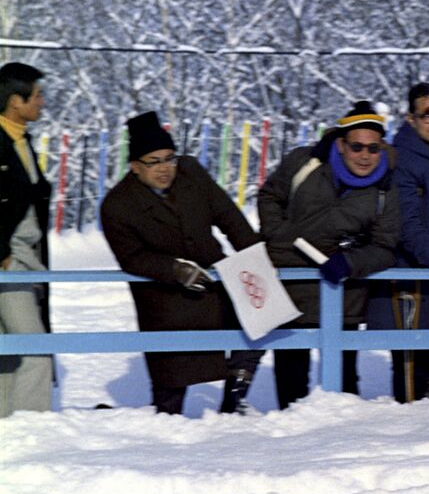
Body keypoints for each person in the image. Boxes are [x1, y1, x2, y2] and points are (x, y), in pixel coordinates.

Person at [101, 112, 263, 414]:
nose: (165, 168)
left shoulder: (190, 173)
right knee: (172, 377)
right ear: (135, 167)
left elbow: (229, 217)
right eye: (154, 161)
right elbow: (132, 257)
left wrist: (255, 259)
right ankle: (166, 424)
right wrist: (174, 269)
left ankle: (235, 398)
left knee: (261, 314)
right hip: (167, 298)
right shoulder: (117, 205)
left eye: (169, 158)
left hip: (216, 284)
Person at [258, 102, 401, 408]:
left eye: (373, 148)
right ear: (341, 143)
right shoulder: (303, 162)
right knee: (291, 374)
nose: (365, 156)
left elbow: (385, 246)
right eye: (357, 147)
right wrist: (279, 234)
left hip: (343, 293)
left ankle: (343, 441)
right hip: (289, 286)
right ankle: (291, 433)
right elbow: (270, 195)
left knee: (344, 378)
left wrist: (351, 262)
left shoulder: (385, 190)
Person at [367, 83, 429, 402]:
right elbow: (405, 222)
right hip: (415, 275)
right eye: (428, 114)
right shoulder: (402, 159)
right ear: (411, 119)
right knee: (413, 363)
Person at [0, 62, 52, 416]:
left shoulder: (21, 141)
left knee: (7, 350)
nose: (42, 102)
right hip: (9, 259)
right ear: (15, 101)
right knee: (36, 349)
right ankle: (33, 430)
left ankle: (7, 429)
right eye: (36, 95)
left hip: (24, 258)